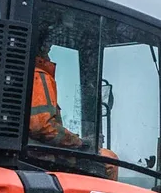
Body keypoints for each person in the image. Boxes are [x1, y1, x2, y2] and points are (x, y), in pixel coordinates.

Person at [29, 36, 119, 180]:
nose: (49, 51)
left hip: (35, 152)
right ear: (41, 48)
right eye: (48, 46)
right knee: (110, 161)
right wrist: (81, 143)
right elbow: (42, 126)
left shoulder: (25, 75)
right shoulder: (38, 76)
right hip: (40, 156)